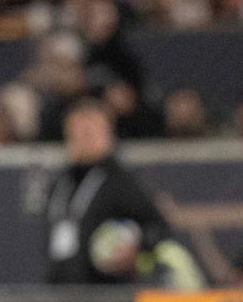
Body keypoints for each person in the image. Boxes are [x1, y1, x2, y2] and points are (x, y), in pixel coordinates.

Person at [46, 98, 195, 286]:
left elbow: (159, 228)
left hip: (106, 293)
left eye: (90, 131)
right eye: (76, 131)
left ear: (108, 134)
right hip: (61, 292)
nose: (83, 138)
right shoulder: (61, 183)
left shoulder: (119, 181)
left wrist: (137, 246)